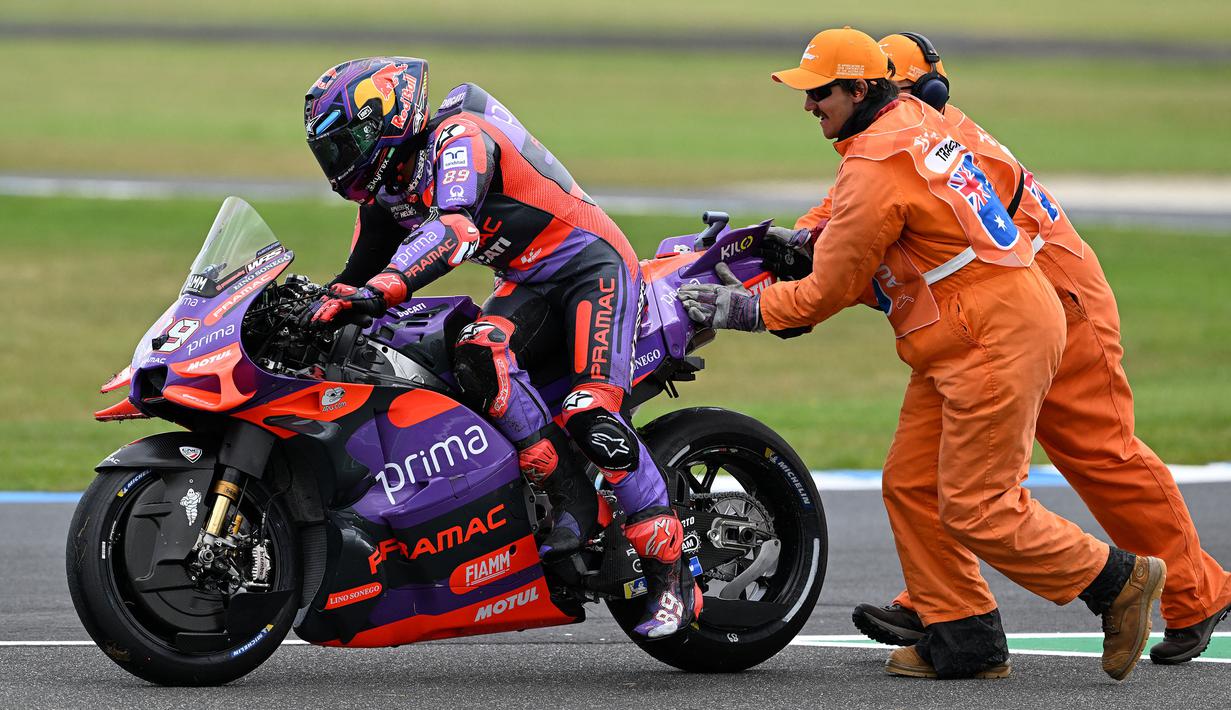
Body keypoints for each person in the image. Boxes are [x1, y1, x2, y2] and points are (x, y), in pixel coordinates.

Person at [677, 27, 1165, 680]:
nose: (807, 106)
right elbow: (877, 235)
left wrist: (736, 309)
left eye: (818, 93)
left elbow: (827, 293)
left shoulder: (876, 162)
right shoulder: (908, 121)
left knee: (977, 507)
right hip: (972, 330)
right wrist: (809, 242)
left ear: (858, 88)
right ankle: (964, 638)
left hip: (990, 337)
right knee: (910, 484)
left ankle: (1116, 582)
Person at [800, 32, 1230, 667]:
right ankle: (944, 606)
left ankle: (1199, 593)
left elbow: (882, 243)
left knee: (1097, 454)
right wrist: (801, 240)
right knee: (929, 473)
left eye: (906, 88)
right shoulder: (912, 138)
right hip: (1005, 308)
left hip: (1055, 297)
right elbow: (844, 215)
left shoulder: (924, 142)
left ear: (915, 91)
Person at [302, 57, 701, 638]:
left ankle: (672, 574)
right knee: (477, 354)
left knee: (591, 412)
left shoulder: (458, 136)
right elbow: (357, 271)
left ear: (383, 122)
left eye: (345, 146)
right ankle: (567, 494)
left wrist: (381, 289)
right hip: (528, 279)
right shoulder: (388, 187)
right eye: (328, 153)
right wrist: (316, 304)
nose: (338, 165)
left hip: (592, 268)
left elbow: (455, 231)